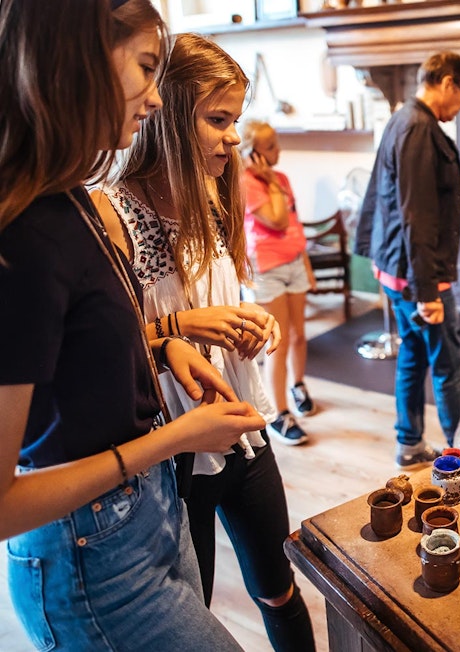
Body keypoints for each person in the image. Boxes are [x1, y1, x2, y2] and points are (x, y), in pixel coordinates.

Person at [0, 2, 265, 650]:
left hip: (146, 512)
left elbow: (68, 354)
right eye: (146, 69)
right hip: (88, 551)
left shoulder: (74, 204)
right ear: (78, 62)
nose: (153, 96)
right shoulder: (25, 239)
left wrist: (165, 343)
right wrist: (171, 439)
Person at [92, 33, 315, 651]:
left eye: (236, 120)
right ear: (165, 117)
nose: (234, 137)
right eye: (218, 120)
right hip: (174, 452)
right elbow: (99, 349)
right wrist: (181, 328)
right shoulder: (112, 215)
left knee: (279, 586)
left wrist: (249, 319)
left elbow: (218, 291)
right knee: (198, 606)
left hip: (243, 429)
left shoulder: (213, 195)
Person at [354, 51, 460, 467]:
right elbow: (416, 214)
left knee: (413, 355)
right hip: (420, 278)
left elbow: (384, 195)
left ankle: (409, 444)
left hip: (398, 269)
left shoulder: (402, 119)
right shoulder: (418, 128)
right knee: (450, 366)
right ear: (446, 82)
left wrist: (378, 256)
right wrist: (427, 292)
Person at [238, 119, 316, 446]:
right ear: (253, 152)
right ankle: (279, 414)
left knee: (299, 334)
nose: (278, 150)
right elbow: (278, 219)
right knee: (279, 343)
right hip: (267, 268)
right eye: (270, 146)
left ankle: (298, 385)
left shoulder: (281, 178)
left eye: (276, 143)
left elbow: (293, 224)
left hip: (295, 262)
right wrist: (269, 181)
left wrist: (307, 266)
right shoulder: (246, 182)